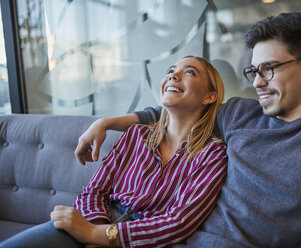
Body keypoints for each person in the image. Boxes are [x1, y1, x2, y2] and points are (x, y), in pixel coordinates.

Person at [75, 12, 301, 247]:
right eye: (253, 71)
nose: (256, 82)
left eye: (268, 69)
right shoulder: (240, 114)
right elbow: (170, 112)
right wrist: (106, 123)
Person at [0, 56, 227, 248]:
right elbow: (94, 191)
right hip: (95, 220)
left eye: (189, 72)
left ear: (209, 96)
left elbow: (178, 223)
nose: (173, 75)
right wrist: (95, 230)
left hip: (143, 239)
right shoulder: (136, 135)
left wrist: (100, 236)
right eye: (170, 70)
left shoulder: (213, 155)